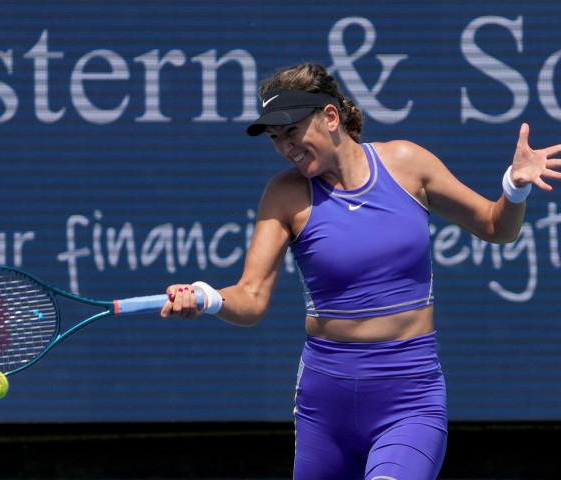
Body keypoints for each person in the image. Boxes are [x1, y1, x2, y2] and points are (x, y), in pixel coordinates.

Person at [160, 62, 561, 480]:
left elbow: (497, 227)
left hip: (410, 399)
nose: (286, 148)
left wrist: (515, 187)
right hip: (324, 407)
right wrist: (207, 298)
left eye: (291, 132)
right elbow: (252, 296)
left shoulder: (408, 164)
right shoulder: (284, 195)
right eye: (277, 139)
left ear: (330, 117)